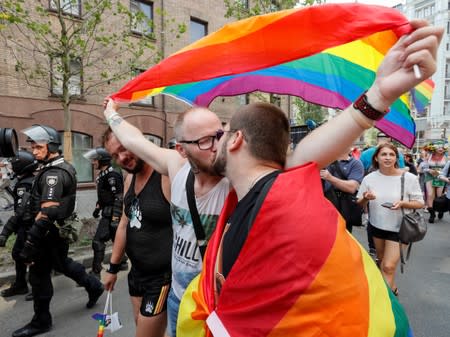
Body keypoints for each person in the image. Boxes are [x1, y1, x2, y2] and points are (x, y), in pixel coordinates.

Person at [175, 20, 442, 337]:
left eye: (222, 133)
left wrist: (379, 94)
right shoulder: (273, 191)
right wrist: (378, 95)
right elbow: (308, 154)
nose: (215, 141)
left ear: (235, 141)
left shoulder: (281, 206)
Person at [103, 103, 230, 337]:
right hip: (177, 296)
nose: (217, 147)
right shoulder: (177, 168)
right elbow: (135, 142)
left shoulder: (234, 179)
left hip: (212, 304)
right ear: (182, 149)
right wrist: (110, 112)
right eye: (205, 140)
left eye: (220, 136)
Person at [12, 124, 104, 337]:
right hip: (55, 233)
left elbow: (47, 213)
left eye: (38, 147)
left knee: (39, 276)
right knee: (63, 264)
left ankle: (41, 321)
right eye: (32, 147)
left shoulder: (53, 173)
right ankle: (94, 286)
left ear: (52, 146)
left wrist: (29, 244)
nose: (33, 151)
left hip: (47, 234)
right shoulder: (56, 167)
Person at [102, 128, 172, 337]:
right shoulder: (129, 179)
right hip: (137, 274)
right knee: (141, 326)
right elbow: (124, 224)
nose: (121, 157)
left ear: (138, 141)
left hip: (161, 278)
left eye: (124, 148)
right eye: (115, 155)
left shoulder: (165, 175)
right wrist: (113, 268)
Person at [356, 144, 423, 295]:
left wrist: (403, 203)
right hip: (377, 226)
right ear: (376, 158)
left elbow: (420, 203)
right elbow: (359, 202)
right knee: (381, 262)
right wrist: (366, 198)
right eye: (384, 154)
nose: (387, 158)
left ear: (396, 158)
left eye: (391, 155)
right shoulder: (369, 178)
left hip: (401, 228)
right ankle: (391, 288)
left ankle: (387, 303)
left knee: (388, 266)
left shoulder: (409, 178)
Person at [83, 147, 127, 279]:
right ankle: (123, 262)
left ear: (102, 161)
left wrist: (115, 217)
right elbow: (104, 195)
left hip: (113, 213)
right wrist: (98, 207)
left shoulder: (112, 175)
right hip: (106, 211)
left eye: (95, 160)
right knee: (117, 239)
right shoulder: (102, 175)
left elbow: (119, 196)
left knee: (98, 241)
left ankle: (95, 273)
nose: (93, 162)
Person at [0, 150, 38, 301]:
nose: (10, 168)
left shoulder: (24, 185)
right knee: (18, 253)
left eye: (13, 166)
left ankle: (37, 287)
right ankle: (21, 284)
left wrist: (5, 232)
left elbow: (21, 213)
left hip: (29, 226)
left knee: (31, 257)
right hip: (26, 225)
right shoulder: (28, 180)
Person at [320, 148, 364, 232]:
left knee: (343, 237)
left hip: (344, 208)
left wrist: (330, 178)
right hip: (324, 208)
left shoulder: (355, 163)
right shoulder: (324, 162)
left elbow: (351, 188)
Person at [421, 142, 447, 222]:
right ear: (434, 148)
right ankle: (432, 214)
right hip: (430, 176)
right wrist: (429, 170)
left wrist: (441, 174)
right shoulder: (429, 156)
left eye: (442, 148)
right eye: (439, 147)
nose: (440, 149)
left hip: (441, 177)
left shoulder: (446, 158)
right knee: (430, 195)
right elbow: (423, 168)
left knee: (439, 196)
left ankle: (440, 210)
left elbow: (448, 169)